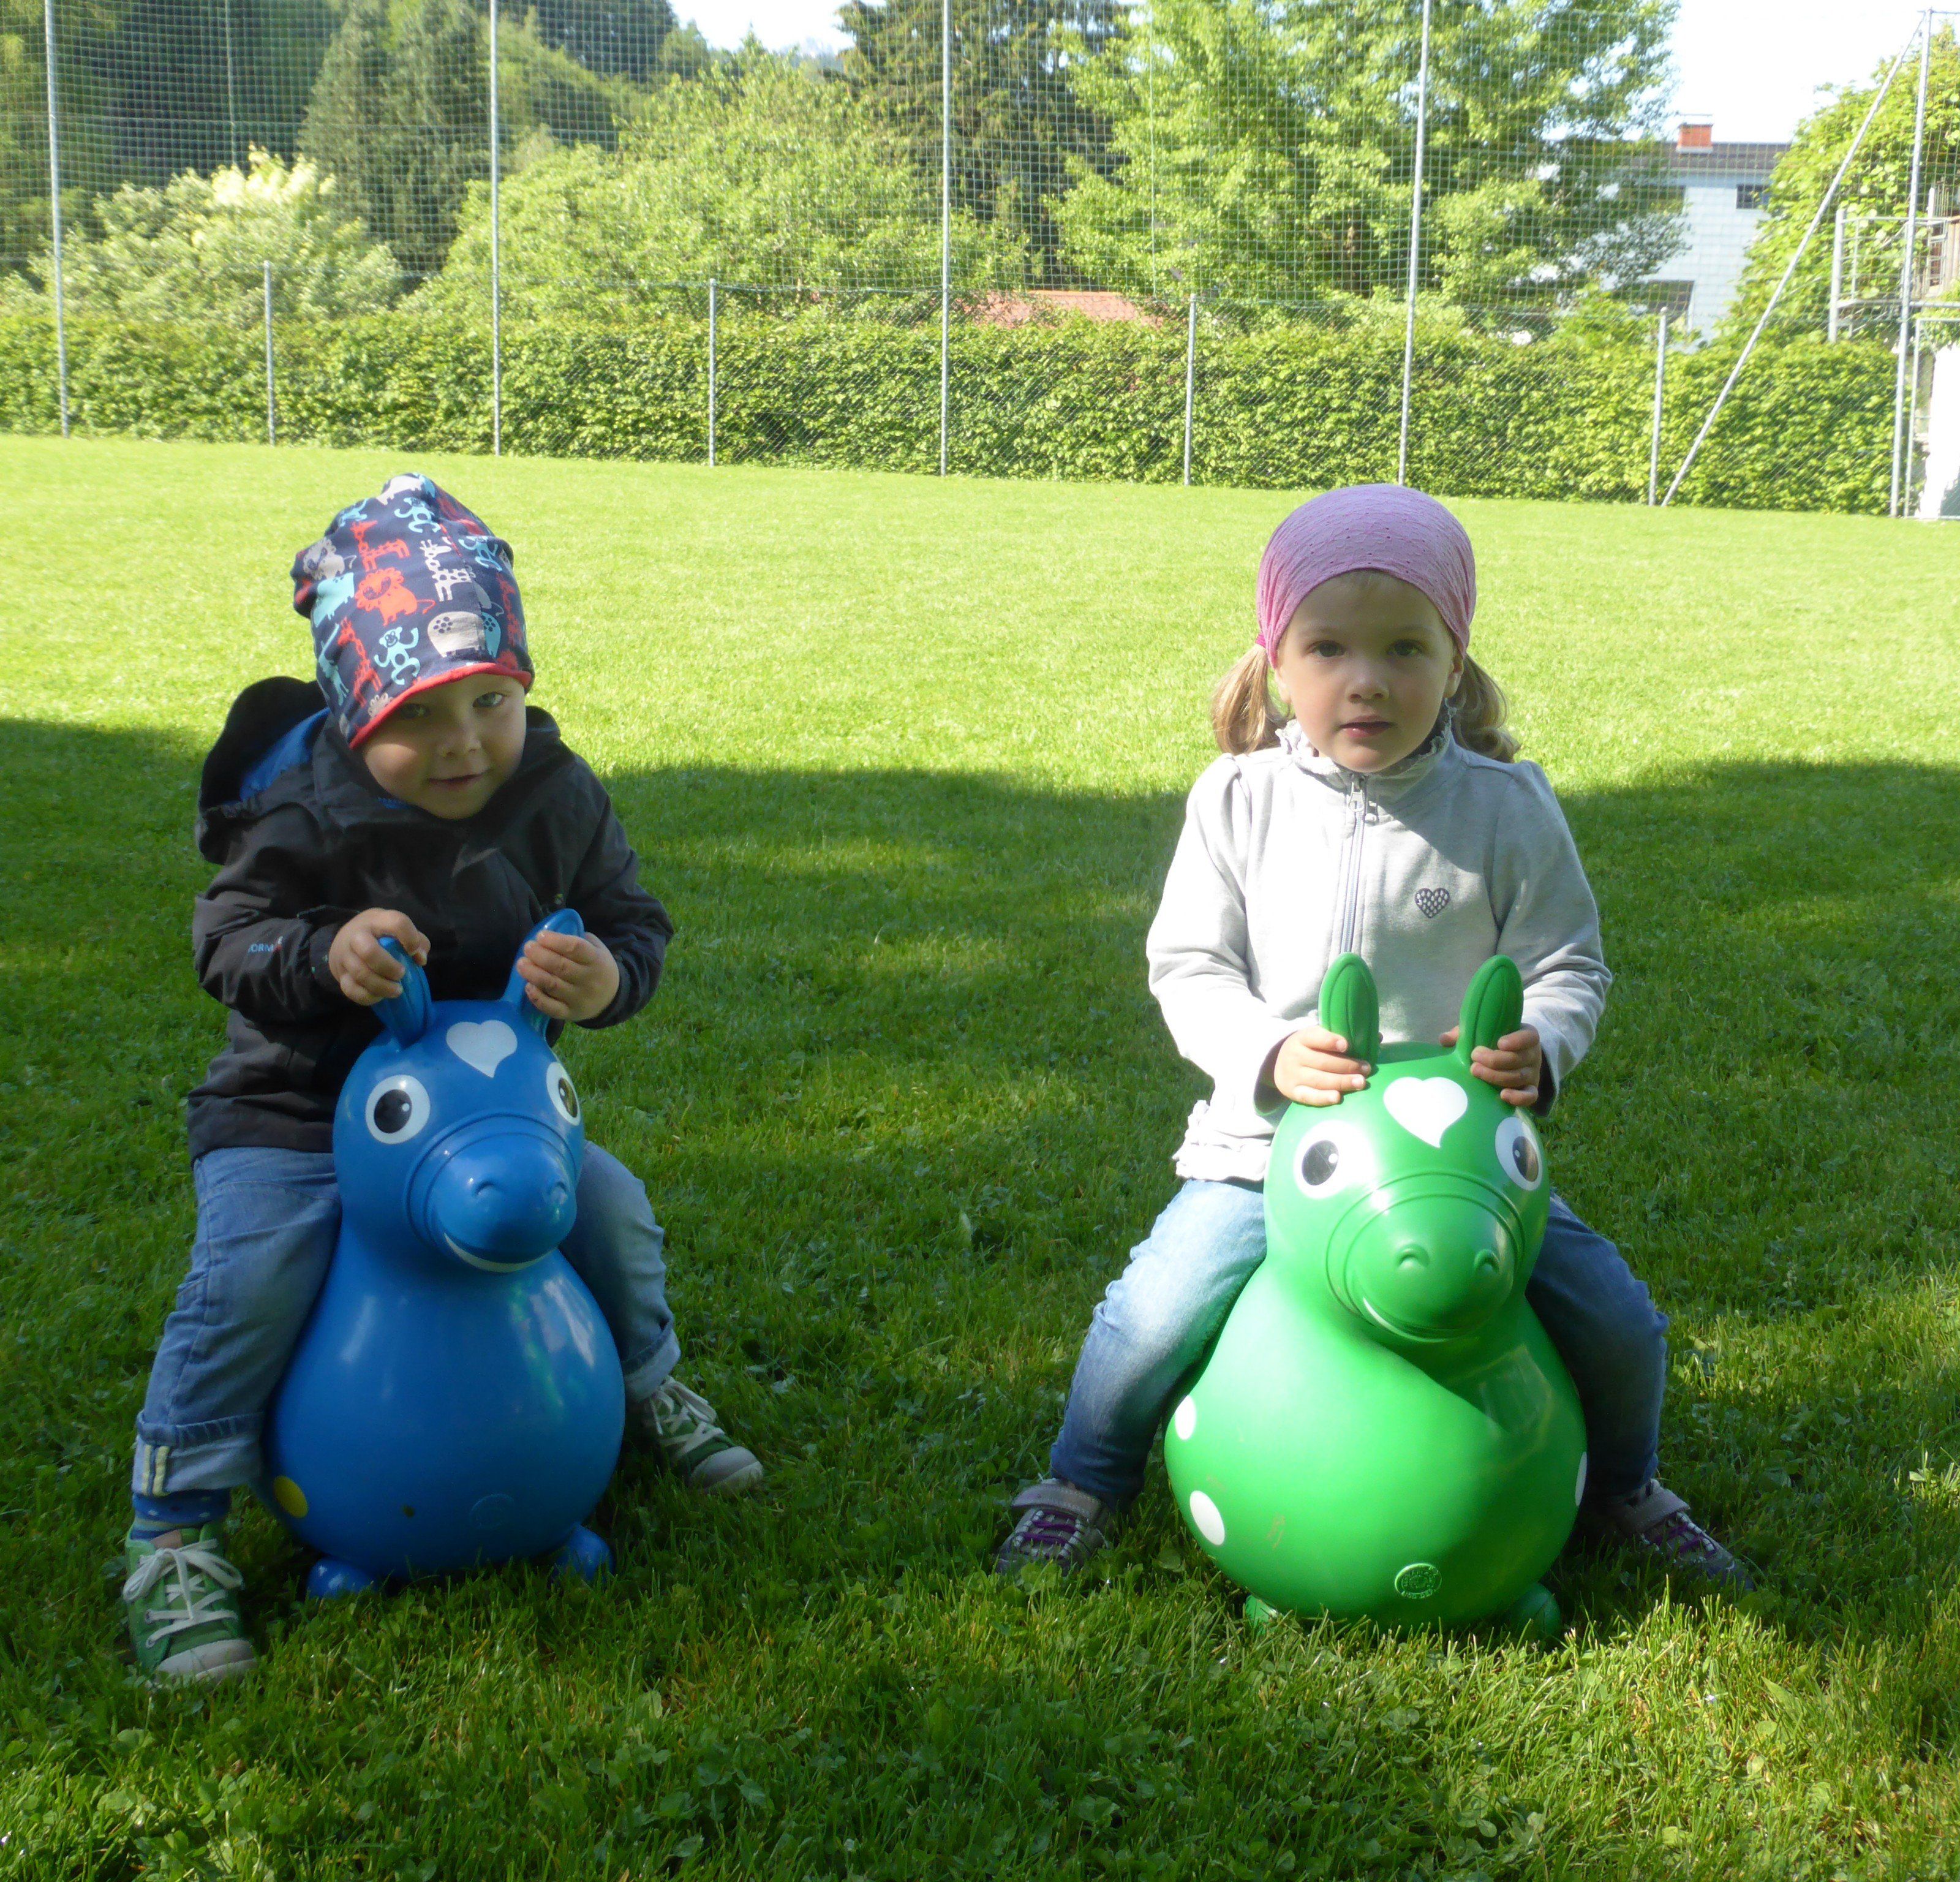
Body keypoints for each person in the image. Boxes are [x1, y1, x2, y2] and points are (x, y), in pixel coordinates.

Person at [995, 483, 1749, 1591]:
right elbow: (1187, 965)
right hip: (1269, 1154)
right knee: (1154, 1309)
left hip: (1456, 1171)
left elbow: (1568, 963)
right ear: (1277, 661)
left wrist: (1542, 1040)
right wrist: (1263, 1053)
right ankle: (1081, 1481)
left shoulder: (1508, 808)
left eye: (1406, 648)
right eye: (1330, 646)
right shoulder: (1237, 800)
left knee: (1619, 1320)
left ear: (1456, 661)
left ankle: (1629, 1487)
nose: (1368, 680)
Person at [122, 473, 761, 1687]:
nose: (466, 743)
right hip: (299, 1114)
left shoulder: (557, 797)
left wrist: (605, 981)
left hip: (493, 1129)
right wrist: (323, 952)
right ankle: (174, 1525)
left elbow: (637, 925)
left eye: (494, 701)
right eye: (423, 714)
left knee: (614, 1211)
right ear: (356, 708)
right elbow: (226, 945)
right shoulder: (304, 810)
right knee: (254, 1268)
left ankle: (645, 1388)